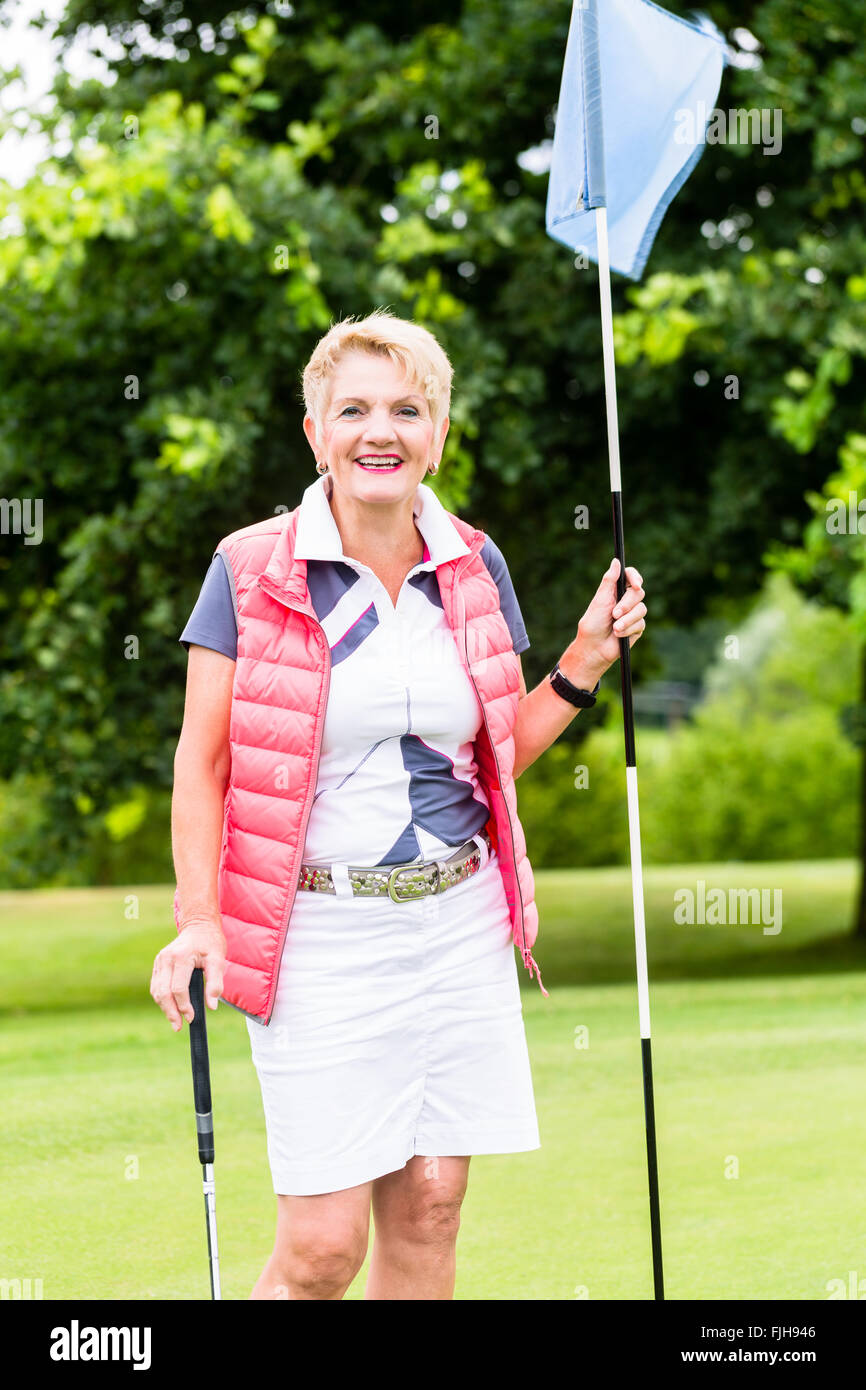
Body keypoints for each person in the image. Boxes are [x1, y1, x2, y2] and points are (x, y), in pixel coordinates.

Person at [150, 309, 646, 1300]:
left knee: (428, 1217)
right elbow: (200, 763)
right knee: (323, 1250)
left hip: (456, 921)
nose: (380, 431)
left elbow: (493, 753)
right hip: (316, 932)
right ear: (314, 433)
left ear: (439, 434)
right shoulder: (250, 568)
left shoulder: (471, 562)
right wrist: (198, 920)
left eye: (406, 410)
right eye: (354, 410)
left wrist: (583, 661)